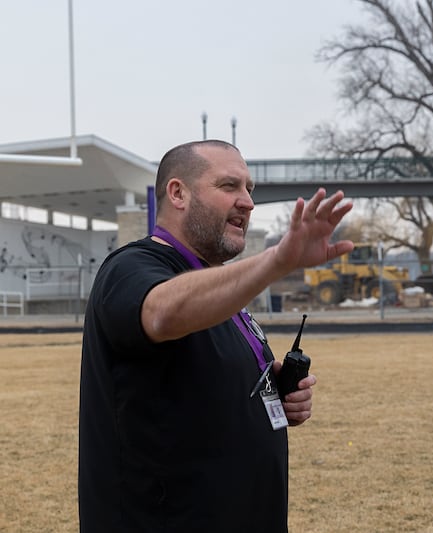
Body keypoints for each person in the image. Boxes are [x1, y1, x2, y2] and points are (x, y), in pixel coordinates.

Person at [78, 139, 354, 532]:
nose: (248, 202)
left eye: (249, 189)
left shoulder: (217, 288)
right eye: (229, 186)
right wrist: (277, 260)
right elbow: (161, 313)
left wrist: (271, 393)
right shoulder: (131, 267)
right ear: (178, 193)